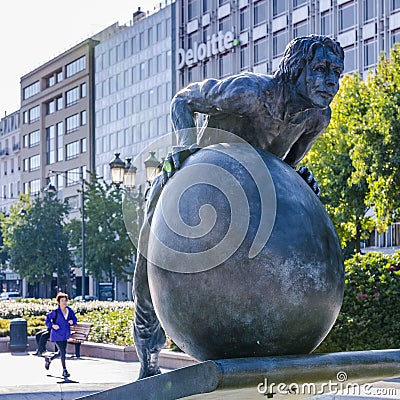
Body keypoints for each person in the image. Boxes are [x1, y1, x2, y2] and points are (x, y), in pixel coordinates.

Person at [133, 35, 344, 379]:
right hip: (194, 188)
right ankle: (148, 364)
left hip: (253, 209)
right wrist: (185, 150)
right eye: (320, 69)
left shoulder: (317, 118)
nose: (331, 82)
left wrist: (299, 178)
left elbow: (283, 168)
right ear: (296, 68)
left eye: (337, 71)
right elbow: (183, 100)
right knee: (146, 272)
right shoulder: (249, 92)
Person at [44, 292, 77, 379]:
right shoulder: (55, 312)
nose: (64, 302)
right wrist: (52, 325)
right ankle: (64, 370)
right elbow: (47, 320)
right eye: (62, 301)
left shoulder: (69, 311)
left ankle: (49, 359)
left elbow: (74, 319)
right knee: (63, 352)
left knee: (60, 353)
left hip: (65, 335)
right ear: (59, 302)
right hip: (57, 335)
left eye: (65, 300)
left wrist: (72, 322)